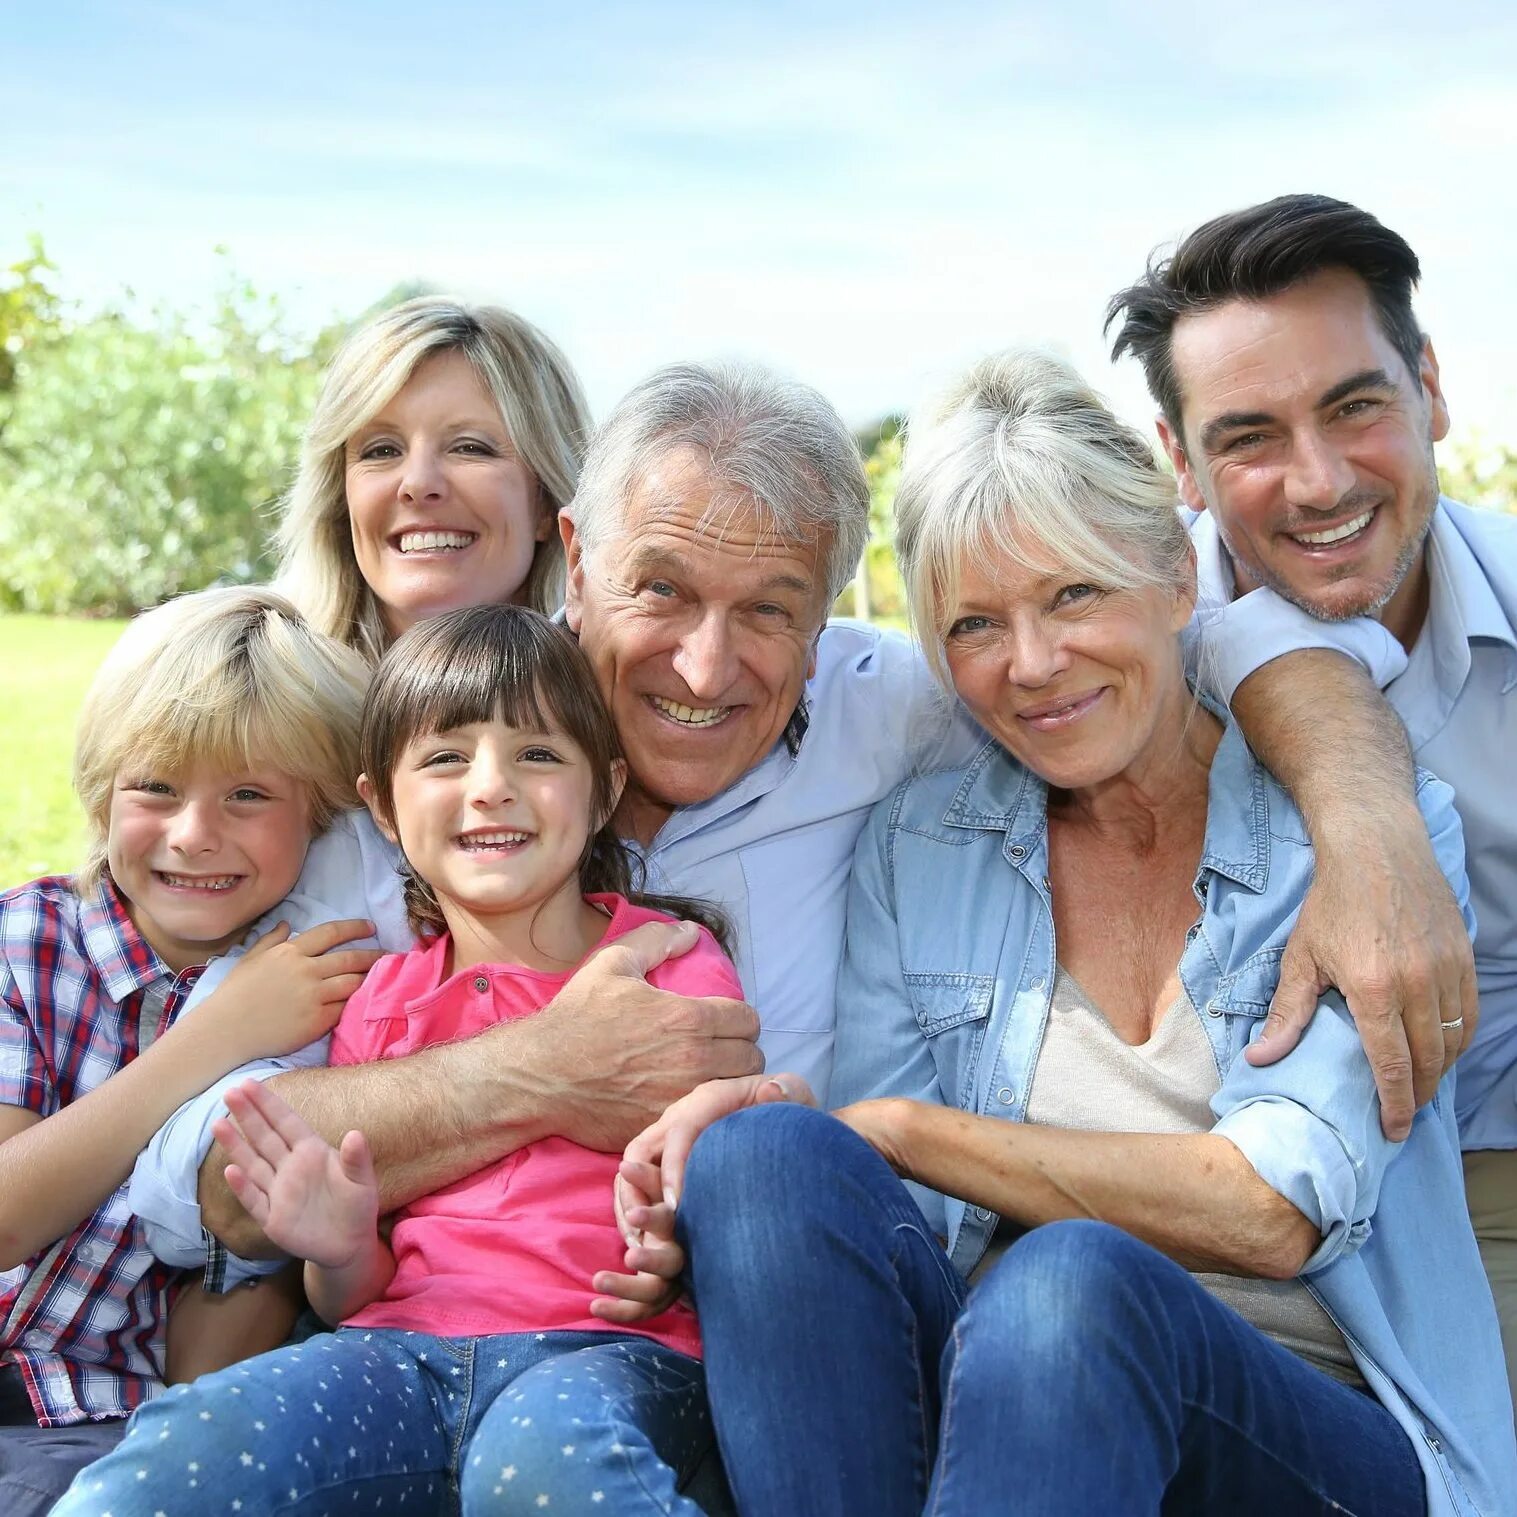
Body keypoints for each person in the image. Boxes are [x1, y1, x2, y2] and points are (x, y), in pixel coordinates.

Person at [132, 363, 1472, 1313]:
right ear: (580, 553)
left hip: (780, 1335)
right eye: (659, 588)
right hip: (446, 1341)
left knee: (782, 1162)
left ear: (832, 610)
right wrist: (534, 1072)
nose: (706, 668)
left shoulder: (898, 714)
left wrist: (1361, 813)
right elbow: (203, 1187)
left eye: (770, 608)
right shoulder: (426, 793)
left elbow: (1162, 637)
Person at [662, 352, 1516, 1515]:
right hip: (1017, 1412)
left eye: (1072, 595)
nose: (1030, 664)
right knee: (762, 1156)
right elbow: (892, 1227)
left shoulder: (1358, 835)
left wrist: (903, 1128)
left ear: (1174, 575)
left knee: (1070, 1280)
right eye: (974, 623)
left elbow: (1272, 1210)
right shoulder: (924, 846)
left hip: (1315, 1429)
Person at [58, 604, 745, 1517]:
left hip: (607, 1348)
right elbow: (355, 1290)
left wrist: (676, 1230)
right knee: (186, 1447)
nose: (491, 787)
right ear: (381, 802)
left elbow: (728, 1148)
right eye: (445, 758)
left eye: (537, 755)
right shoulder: (380, 998)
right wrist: (337, 1245)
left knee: (544, 1470)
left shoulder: (668, 958)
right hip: (397, 1350)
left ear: (605, 787)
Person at [1106, 192, 1517, 1404]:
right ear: (1177, 465)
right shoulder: (1109, 663)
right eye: (1248, 438)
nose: (1319, 480)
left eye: (1354, 407)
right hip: (1194, 1209)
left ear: (1429, 389)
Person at [0, 587, 382, 1516]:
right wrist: (215, 1037)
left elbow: (250, 1288)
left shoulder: (326, 993)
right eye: (156, 786)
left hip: (103, 1422)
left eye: (248, 794)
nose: (194, 832)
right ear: (101, 789)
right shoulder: (30, 940)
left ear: (325, 815)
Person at [277, 295, 592, 661]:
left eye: (469, 448)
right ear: (340, 499)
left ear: (545, 502)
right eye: (382, 450)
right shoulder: (243, 706)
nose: (418, 484)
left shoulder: (624, 710)